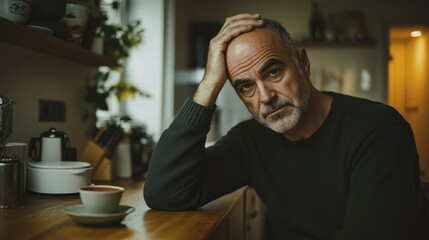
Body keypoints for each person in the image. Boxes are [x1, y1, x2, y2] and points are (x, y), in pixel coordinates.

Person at [144, 13, 429, 239]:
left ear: (303, 63)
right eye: (246, 87)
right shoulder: (251, 142)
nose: (265, 97)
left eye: (274, 72)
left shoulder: (379, 130)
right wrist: (209, 83)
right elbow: (165, 191)